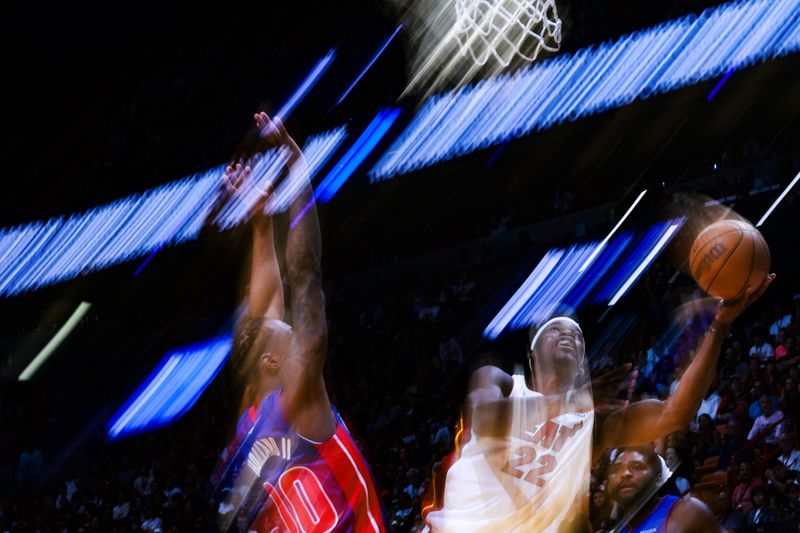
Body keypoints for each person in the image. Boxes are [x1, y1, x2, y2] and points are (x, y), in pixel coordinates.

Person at [424, 271, 774, 532]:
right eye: (556, 330)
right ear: (532, 355)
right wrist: (572, 401)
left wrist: (719, 328)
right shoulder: (500, 381)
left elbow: (675, 412)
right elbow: (484, 419)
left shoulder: (591, 424)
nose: (568, 335)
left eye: (576, 336)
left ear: (583, 362)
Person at [212, 113, 387, 532]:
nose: (292, 326)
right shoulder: (301, 396)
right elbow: (305, 271)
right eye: (287, 332)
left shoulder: (250, 422)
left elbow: (264, 309)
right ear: (273, 360)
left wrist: (260, 223)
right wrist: (297, 165)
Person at [604, 446, 720, 532]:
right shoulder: (617, 530)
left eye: (637, 467)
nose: (625, 473)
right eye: (616, 470)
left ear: (658, 479)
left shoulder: (688, 512)